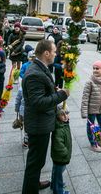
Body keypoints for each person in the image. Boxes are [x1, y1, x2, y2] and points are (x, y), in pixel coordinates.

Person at [22, 40, 69, 193]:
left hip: (42, 122)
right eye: (54, 51)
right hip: (38, 125)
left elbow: (44, 93)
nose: (56, 54)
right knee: (35, 163)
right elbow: (39, 103)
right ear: (46, 53)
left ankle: (34, 182)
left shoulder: (41, 68)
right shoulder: (35, 73)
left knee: (38, 161)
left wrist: (57, 109)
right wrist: (61, 95)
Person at [16, 50, 35, 148]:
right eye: (31, 57)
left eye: (34, 57)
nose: (32, 59)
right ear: (28, 58)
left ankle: (28, 138)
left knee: (29, 125)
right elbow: (21, 73)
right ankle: (27, 139)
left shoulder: (36, 66)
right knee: (27, 125)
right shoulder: (25, 65)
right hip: (25, 110)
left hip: (27, 110)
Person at [51, 106, 72, 194]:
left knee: (56, 172)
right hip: (60, 157)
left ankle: (54, 184)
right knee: (58, 173)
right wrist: (65, 152)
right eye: (63, 115)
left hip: (61, 157)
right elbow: (58, 144)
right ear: (57, 117)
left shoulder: (64, 124)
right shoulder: (59, 129)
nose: (66, 116)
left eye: (66, 114)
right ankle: (58, 191)